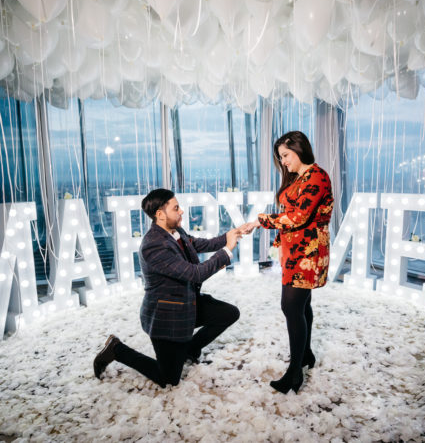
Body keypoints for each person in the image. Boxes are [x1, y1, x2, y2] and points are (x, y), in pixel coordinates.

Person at [94, 188, 242, 388]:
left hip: (186, 303)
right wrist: (227, 250)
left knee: (229, 313)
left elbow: (199, 244)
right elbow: (195, 273)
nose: (181, 212)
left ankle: (189, 349)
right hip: (167, 317)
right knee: (168, 379)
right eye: (176, 208)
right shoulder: (153, 246)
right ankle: (117, 349)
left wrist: (232, 234)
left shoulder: (175, 231)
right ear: (160, 214)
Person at [245, 131, 333, 394]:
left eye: (285, 155)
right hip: (293, 250)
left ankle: (295, 372)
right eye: (280, 157)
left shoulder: (317, 176)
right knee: (301, 304)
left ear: (299, 149)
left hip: (308, 252)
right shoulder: (298, 178)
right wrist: (277, 244)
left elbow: (298, 217)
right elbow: (288, 214)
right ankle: (305, 356)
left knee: (291, 306)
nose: (283, 162)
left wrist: (259, 221)